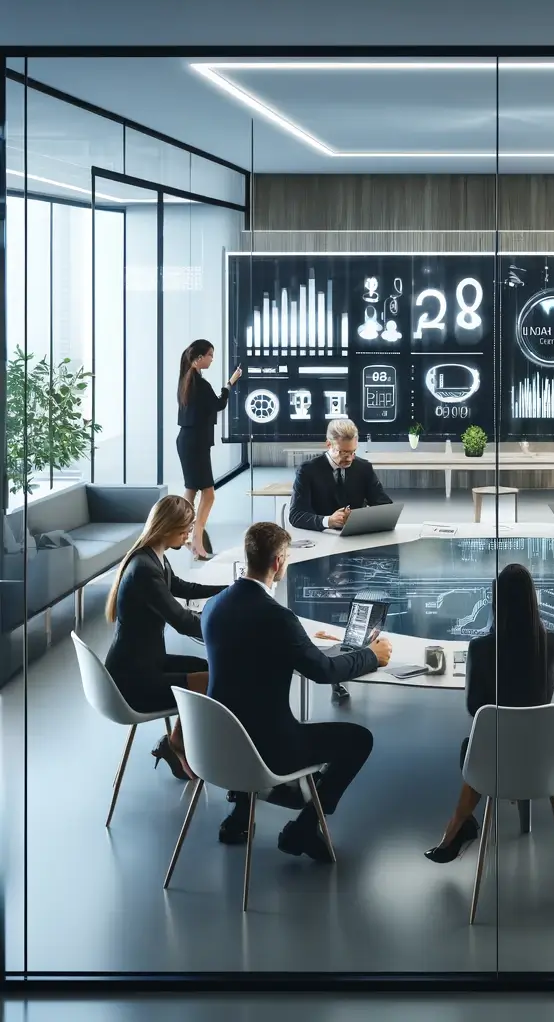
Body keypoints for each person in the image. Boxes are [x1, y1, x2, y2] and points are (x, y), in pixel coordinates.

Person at [202, 522, 392, 859]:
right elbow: (323, 671)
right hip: (267, 751)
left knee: (245, 703)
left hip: (217, 743)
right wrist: (370, 656)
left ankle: (241, 815)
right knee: (359, 739)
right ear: (278, 562)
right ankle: (304, 829)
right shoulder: (278, 618)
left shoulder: (214, 606)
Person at [425, 563, 554, 863]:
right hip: (543, 760)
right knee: (495, 744)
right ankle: (456, 828)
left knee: (472, 747)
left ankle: (458, 827)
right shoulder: (553, 644)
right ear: (533, 600)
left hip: (494, 764)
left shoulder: (481, 648)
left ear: (495, 602)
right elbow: (540, 695)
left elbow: (476, 709)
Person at [104, 495, 226, 780]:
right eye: (184, 531)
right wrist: (226, 629)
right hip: (133, 681)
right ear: (166, 527)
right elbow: (183, 621)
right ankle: (183, 746)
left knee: (209, 670)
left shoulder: (151, 555)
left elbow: (183, 586)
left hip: (145, 662)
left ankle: (177, 743)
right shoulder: (144, 571)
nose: (187, 538)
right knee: (215, 678)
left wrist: (230, 589)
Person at [176, 340, 242, 560]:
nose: (212, 359)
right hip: (195, 442)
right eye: (210, 355)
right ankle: (195, 537)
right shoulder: (199, 383)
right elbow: (218, 404)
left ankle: (184, 535)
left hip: (189, 440)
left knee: (191, 490)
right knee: (208, 493)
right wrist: (230, 383)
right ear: (199, 357)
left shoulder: (186, 379)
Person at [288, 419, 392, 533]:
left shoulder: (364, 467)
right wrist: (328, 521)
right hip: (321, 537)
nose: (349, 458)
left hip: (357, 537)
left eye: (353, 452)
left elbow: (385, 506)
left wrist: (358, 517)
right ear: (328, 444)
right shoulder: (307, 470)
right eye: (343, 452)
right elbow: (296, 515)